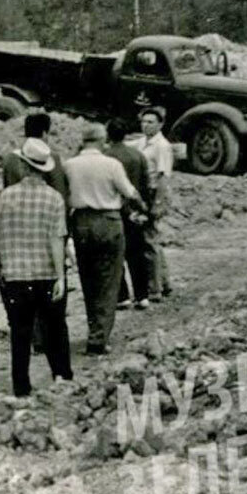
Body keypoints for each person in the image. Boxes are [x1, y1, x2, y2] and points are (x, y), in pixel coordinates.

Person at [0, 138, 73, 396]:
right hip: (46, 273)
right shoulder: (53, 198)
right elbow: (56, 238)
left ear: (22, 165)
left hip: (15, 274)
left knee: (20, 333)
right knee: (55, 328)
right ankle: (62, 376)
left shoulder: (5, 197)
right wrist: (61, 277)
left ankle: (21, 386)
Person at [64, 124, 145, 355]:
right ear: (102, 140)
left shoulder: (70, 165)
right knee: (109, 279)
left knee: (88, 279)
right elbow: (130, 193)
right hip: (108, 221)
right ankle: (99, 337)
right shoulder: (111, 164)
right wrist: (143, 207)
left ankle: (93, 327)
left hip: (80, 222)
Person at [2, 112, 70, 353]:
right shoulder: (53, 158)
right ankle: (46, 341)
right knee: (48, 285)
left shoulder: (10, 160)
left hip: (17, 233)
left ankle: (32, 338)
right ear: (45, 133)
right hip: (45, 227)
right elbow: (62, 195)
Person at [103, 119, 154, 310]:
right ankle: (142, 295)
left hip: (113, 211)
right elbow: (146, 184)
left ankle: (122, 295)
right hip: (135, 210)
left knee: (115, 256)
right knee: (137, 254)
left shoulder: (105, 156)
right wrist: (145, 210)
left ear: (108, 135)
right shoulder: (138, 155)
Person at [129, 106, 175, 300]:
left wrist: (157, 203)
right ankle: (164, 283)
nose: (146, 125)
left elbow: (164, 177)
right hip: (144, 191)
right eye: (143, 121)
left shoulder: (162, 146)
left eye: (150, 122)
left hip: (154, 192)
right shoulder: (141, 142)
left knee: (149, 241)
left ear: (160, 124)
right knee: (151, 238)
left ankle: (154, 288)